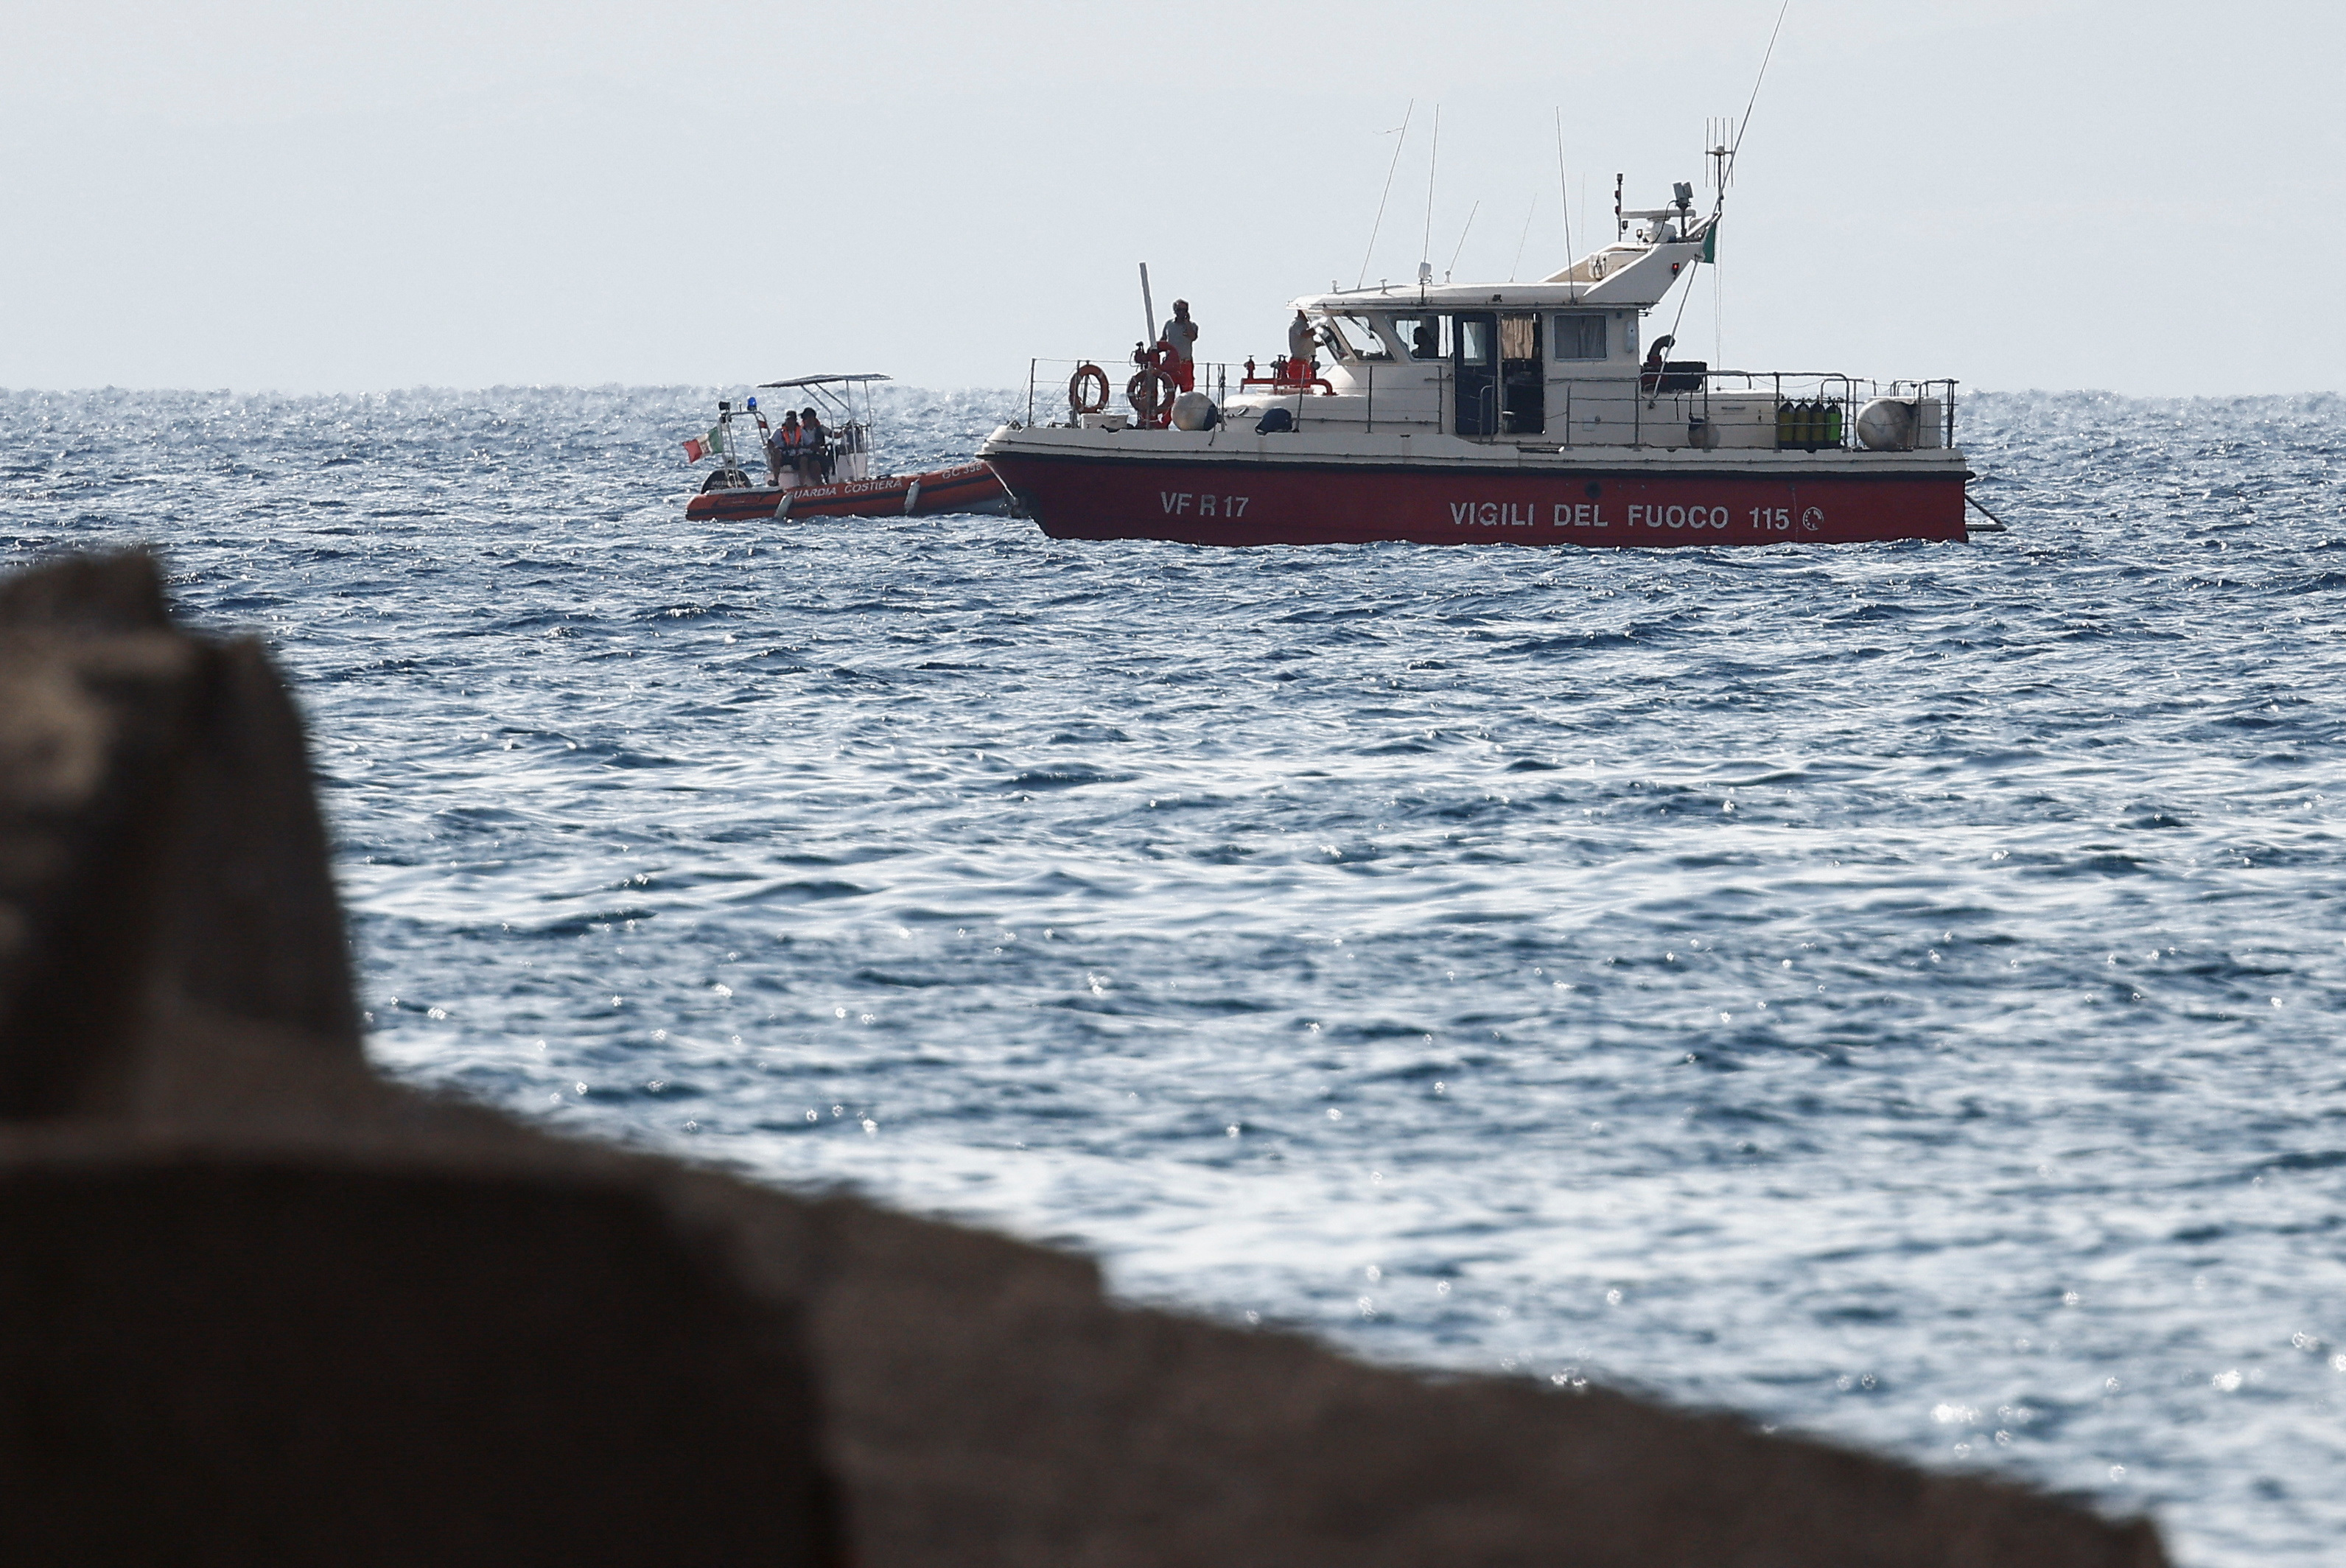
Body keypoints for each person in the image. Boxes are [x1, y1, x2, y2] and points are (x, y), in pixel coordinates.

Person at [1160, 298, 1199, 392]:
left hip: (1185, 363)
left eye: (1184, 310)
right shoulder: (1169, 325)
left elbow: (1193, 337)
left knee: (1187, 393)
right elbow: (1163, 340)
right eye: (1179, 310)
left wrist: (1187, 322)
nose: (1181, 312)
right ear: (1175, 311)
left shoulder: (1193, 326)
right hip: (1171, 363)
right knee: (1170, 392)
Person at [799, 407, 829, 482]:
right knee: (813, 463)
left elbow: (835, 435)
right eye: (807, 418)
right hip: (804, 454)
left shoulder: (821, 429)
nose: (810, 420)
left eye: (812, 417)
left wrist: (845, 431)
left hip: (818, 455)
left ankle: (826, 479)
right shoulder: (800, 432)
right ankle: (817, 484)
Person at [1286, 309, 1315, 382]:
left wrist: (1321, 343)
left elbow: (1305, 344)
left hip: (1305, 363)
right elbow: (1305, 334)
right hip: (1299, 363)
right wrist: (1319, 328)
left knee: (1305, 387)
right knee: (1299, 387)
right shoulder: (1299, 324)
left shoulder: (1303, 325)